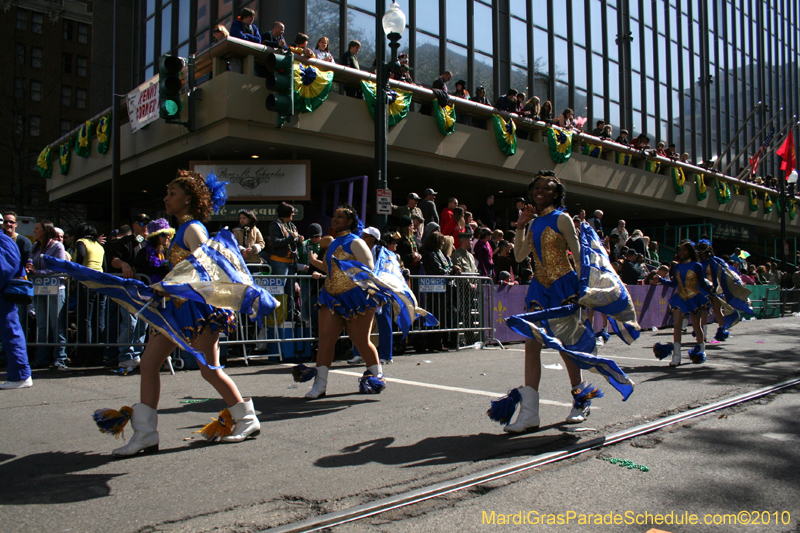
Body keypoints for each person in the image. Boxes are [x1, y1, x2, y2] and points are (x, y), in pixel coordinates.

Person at [491, 171, 636, 433]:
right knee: (531, 346)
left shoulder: (563, 219)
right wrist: (521, 225)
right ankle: (530, 414)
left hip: (564, 287)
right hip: (539, 288)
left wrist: (585, 290)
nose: (540, 191)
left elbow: (579, 256)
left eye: (546, 188)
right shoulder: (534, 223)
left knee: (566, 347)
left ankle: (581, 401)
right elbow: (521, 256)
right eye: (536, 187)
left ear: (556, 193)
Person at [299, 205, 389, 398]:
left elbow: (368, 267)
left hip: (355, 298)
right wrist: (314, 261)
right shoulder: (332, 243)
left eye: (340, 217)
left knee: (361, 341)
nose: (335, 219)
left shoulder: (356, 242)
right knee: (325, 341)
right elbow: (329, 269)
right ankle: (320, 385)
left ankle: (377, 378)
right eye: (334, 216)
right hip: (331, 296)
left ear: (350, 221)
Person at [653, 240, 713, 367]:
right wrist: (661, 280)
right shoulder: (677, 267)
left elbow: (702, 283)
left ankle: (701, 350)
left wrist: (710, 289)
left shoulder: (697, 266)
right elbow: (674, 284)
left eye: (684, 250)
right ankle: (677, 356)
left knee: (696, 326)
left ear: (690, 251)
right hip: (679, 298)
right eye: (680, 250)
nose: (682, 253)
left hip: (694, 298)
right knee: (677, 327)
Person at [108, 213, 150, 370]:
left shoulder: (147, 243)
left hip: (144, 289)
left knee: (142, 325)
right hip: (128, 289)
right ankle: (125, 356)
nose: (145, 226)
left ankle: (137, 355)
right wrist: (123, 265)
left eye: (147, 223)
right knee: (129, 323)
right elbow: (113, 259)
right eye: (141, 223)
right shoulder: (126, 242)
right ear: (134, 225)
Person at [27, 221, 68, 370]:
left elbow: (59, 268)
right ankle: (42, 358)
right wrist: (29, 267)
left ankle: (60, 358)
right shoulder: (35, 246)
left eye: (37, 228)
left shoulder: (58, 246)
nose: (34, 231)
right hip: (39, 289)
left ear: (45, 231)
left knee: (56, 325)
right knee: (42, 325)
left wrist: (39, 273)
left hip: (56, 289)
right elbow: (31, 261)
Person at [0, 231, 32, 389]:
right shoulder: (5, 241)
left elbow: (4, 269)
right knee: (10, 332)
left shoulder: (3, 242)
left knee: (11, 333)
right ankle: (21, 375)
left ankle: (21, 375)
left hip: (4, 296)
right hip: (4, 295)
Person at [72, 223, 106, 360]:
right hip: (101, 283)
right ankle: (98, 354)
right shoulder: (99, 246)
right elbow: (105, 265)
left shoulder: (81, 242)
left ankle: (84, 355)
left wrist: (76, 272)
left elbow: (80, 256)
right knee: (99, 320)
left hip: (86, 283)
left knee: (85, 320)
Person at [269, 202, 303, 323]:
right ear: (287, 213)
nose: (293, 214)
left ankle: (290, 315)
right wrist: (290, 238)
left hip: (291, 262)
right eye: (291, 213)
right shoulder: (275, 225)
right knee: (280, 290)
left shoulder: (292, 225)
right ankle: (278, 316)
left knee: (290, 291)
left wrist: (299, 241)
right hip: (279, 262)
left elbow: (294, 244)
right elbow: (275, 242)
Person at [134, 218, 173, 285]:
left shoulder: (167, 251)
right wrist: (157, 270)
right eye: (163, 234)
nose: (167, 237)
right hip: (148, 290)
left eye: (168, 234)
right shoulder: (144, 252)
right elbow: (139, 271)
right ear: (155, 236)